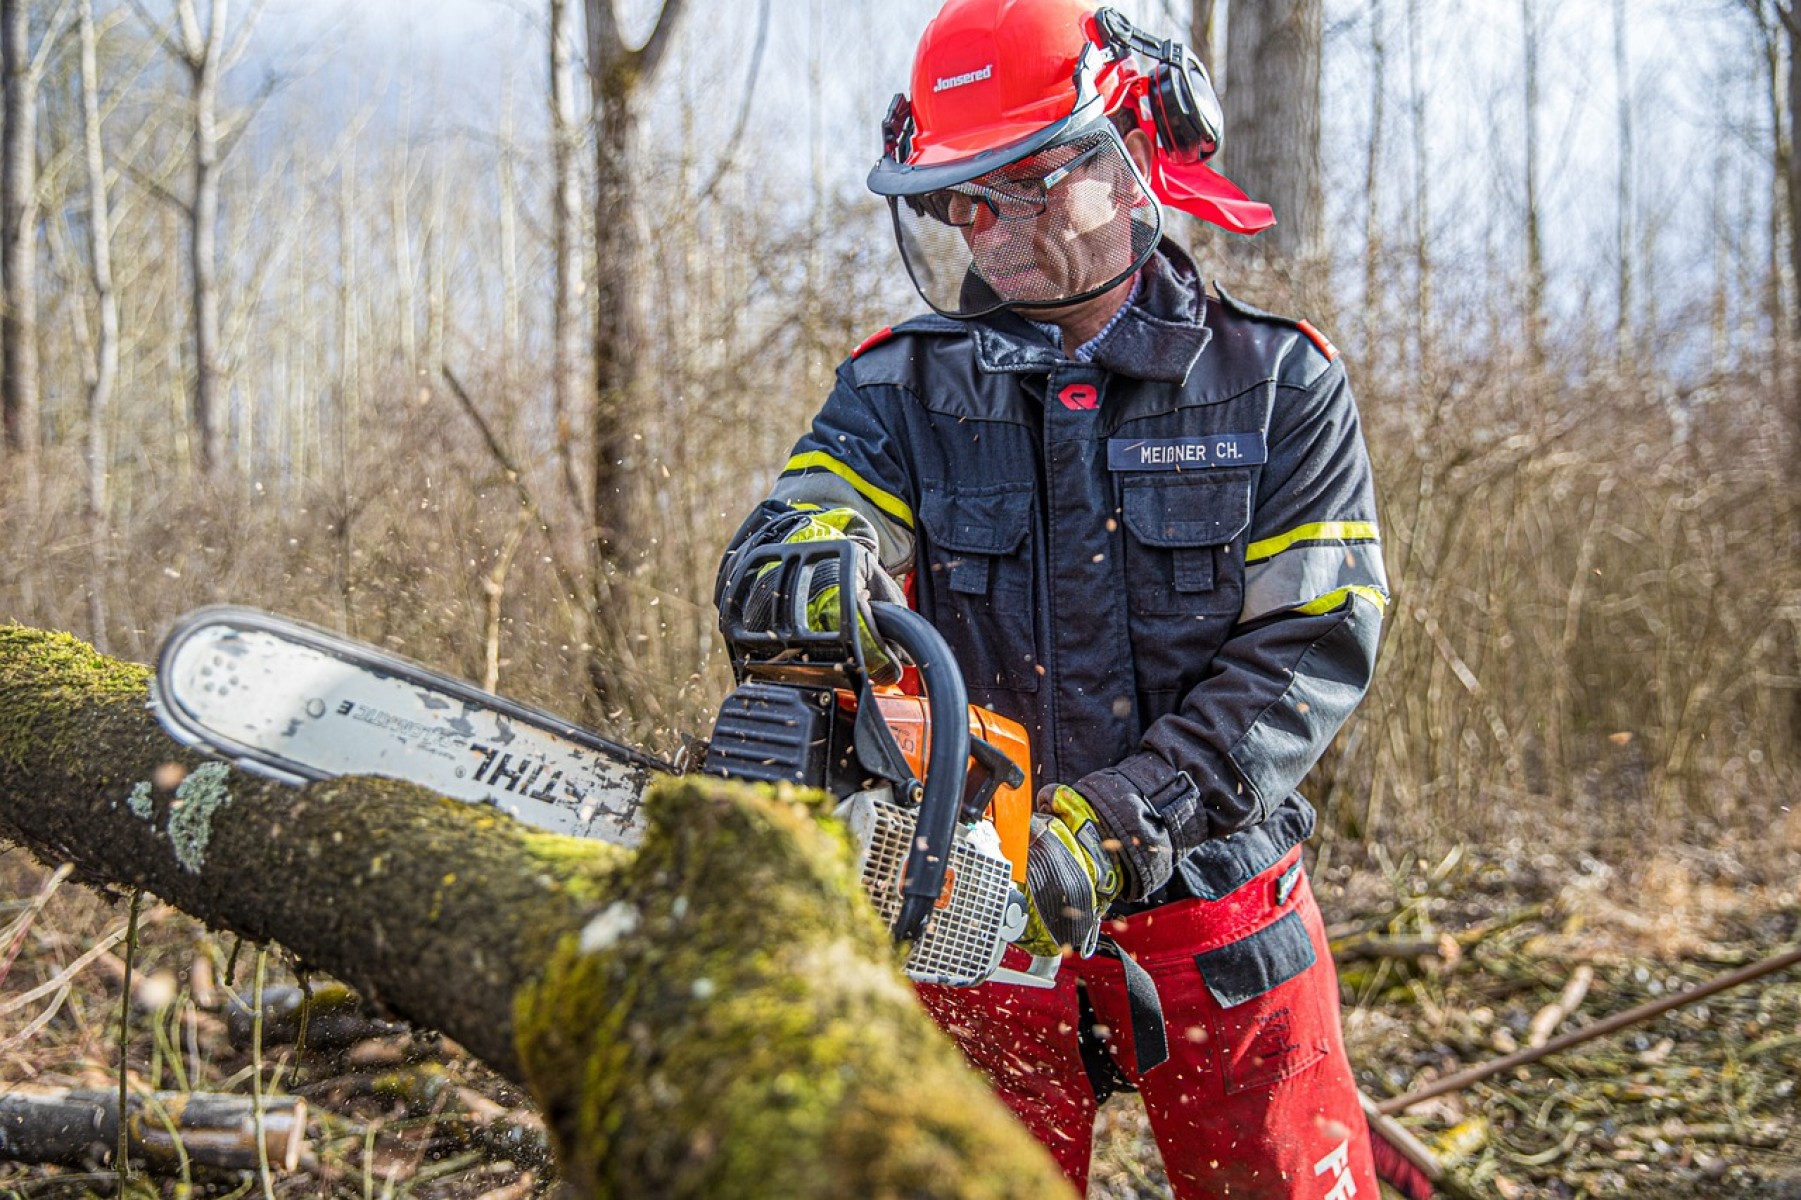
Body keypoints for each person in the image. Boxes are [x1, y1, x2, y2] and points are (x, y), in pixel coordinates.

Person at [717, 2, 1389, 1196]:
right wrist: (807, 565)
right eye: (962, 199)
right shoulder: (897, 389)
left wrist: (1117, 823)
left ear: (1130, 159)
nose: (991, 232)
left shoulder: (1275, 383)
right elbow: (807, 514)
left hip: (1217, 915)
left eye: (1025, 186)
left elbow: (1306, 650)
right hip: (976, 914)